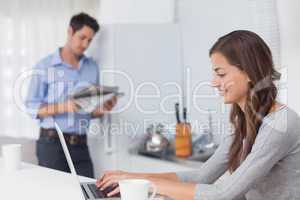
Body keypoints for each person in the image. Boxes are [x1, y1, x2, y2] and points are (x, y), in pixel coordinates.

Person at [96, 30, 300, 199]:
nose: (213, 82)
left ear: (248, 73)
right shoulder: (243, 119)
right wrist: (131, 177)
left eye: (221, 74)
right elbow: (202, 175)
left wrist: (148, 184)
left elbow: (223, 194)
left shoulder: (279, 125)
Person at [25, 12, 117, 178]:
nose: (85, 44)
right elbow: (31, 108)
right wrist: (65, 107)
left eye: (89, 40)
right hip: (52, 145)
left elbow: (87, 110)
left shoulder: (92, 67)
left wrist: (101, 110)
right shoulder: (45, 66)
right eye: (82, 37)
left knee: (88, 193)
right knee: (55, 194)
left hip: (81, 145)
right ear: (70, 31)